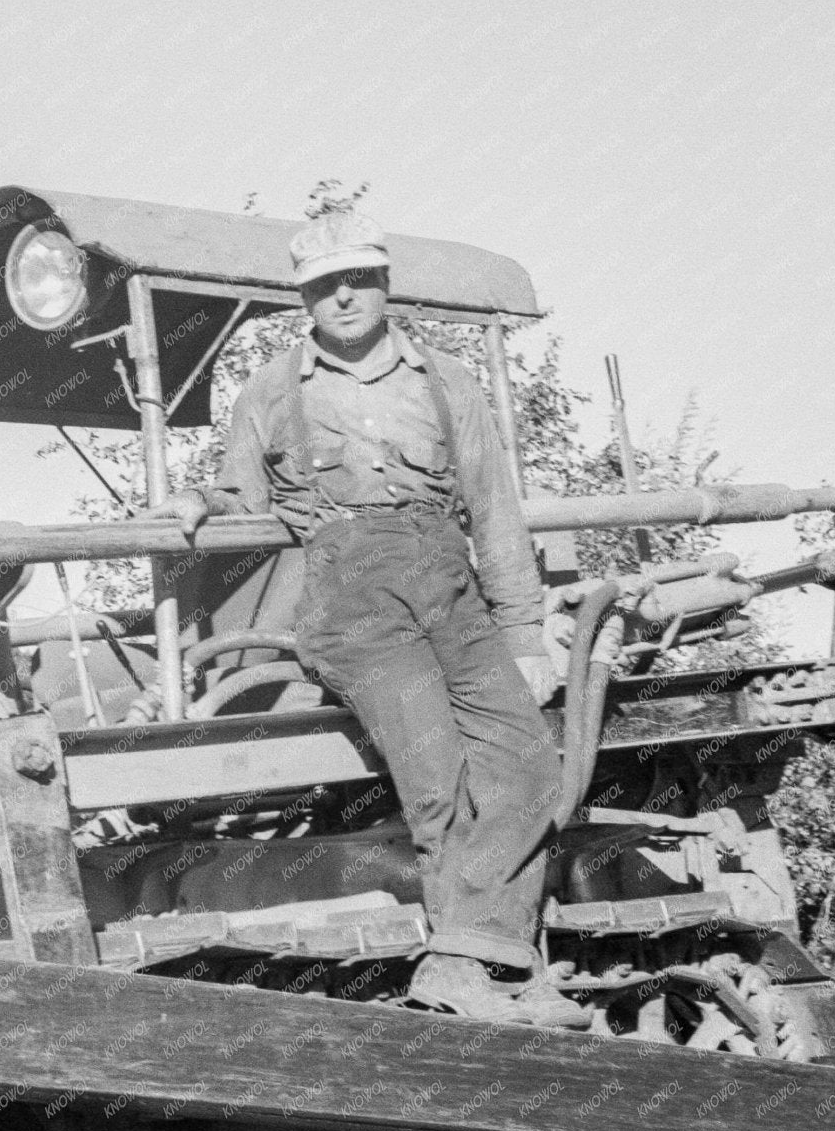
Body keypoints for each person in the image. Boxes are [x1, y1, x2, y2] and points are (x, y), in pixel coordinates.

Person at [156, 209, 580, 1025]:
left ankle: (476, 958)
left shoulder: (448, 382)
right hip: (353, 605)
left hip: (451, 594)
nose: (342, 297)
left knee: (529, 768)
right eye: (322, 286)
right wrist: (199, 498)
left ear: (384, 283)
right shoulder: (271, 393)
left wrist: (524, 633)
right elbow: (244, 496)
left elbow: (494, 510)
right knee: (437, 783)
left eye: (357, 279)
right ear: (304, 299)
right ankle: (491, 973)